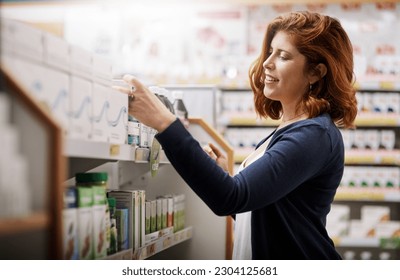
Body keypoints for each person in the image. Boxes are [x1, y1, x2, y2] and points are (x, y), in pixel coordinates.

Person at [117, 11, 358, 259]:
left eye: (283, 56)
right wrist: (223, 175)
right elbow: (256, 208)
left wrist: (163, 121)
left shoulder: (313, 135)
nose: (267, 62)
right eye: (271, 51)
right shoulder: (292, 128)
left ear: (316, 72)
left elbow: (230, 198)